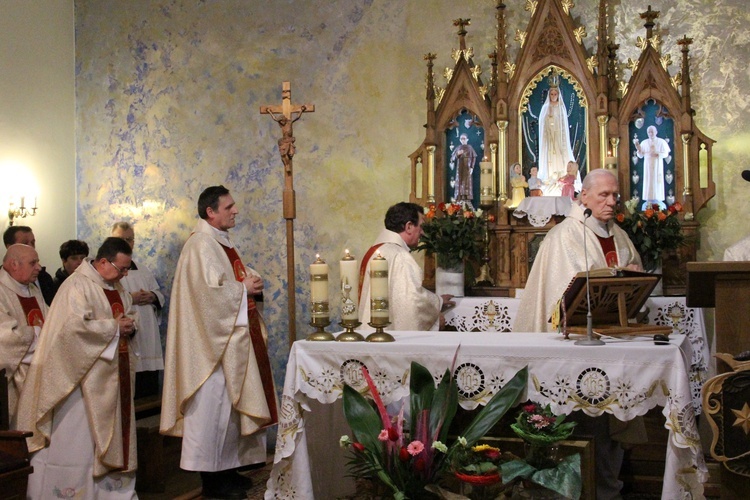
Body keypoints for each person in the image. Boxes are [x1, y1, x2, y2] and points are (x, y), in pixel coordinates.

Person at [514, 169, 642, 499]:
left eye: (615, 195)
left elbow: (634, 284)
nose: (612, 201)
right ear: (583, 196)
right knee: (574, 425)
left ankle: (606, 489)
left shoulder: (620, 235)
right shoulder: (564, 236)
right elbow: (562, 299)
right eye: (604, 195)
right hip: (572, 355)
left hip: (612, 353)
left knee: (608, 429)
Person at [161, 185, 277, 499]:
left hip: (228, 341)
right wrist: (244, 290)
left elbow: (227, 281)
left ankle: (228, 470)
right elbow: (207, 296)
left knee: (228, 413)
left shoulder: (220, 244)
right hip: (208, 348)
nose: (235, 210)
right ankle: (212, 482)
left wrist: (251, 281)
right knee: (212, 414)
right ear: (211, 212)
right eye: (228, 206)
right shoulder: (200, 246)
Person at [16, 237, 138, 498]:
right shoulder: (77, 286)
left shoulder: (115, 285)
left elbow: (127, 312)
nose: (125, 275)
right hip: (80, 384)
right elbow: (72, 331)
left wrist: (129, 324)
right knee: (79, 444)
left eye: (127, 269)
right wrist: (113, 328)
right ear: (103, 261)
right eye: (122, 268)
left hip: (113, 378)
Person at [359, 202, 453, 331]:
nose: (422, 232)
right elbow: (412, 300)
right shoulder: (400, 256)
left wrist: (438, 300)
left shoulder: (376, 251)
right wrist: (436, 312)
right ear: (409, 227)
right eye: (421, 226)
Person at [111, 221, 165, 399]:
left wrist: (152, 296)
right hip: (127, 329)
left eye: (130, 239)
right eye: (121, 239)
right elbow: (106, 300)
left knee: (149, 388)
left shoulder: (143, 269)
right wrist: (130, 298)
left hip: (147, 331)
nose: (127, 243)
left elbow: (158, 293)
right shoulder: (110, 270)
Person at [0, 244, 48, 427]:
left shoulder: (33, 289)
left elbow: (51, 320)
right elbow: (5, 337)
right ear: (14, 264)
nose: (38, 267)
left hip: (40, 369)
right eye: (33, 262)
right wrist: (37, 333)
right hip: (16, 380)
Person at [537, 75, 576, 195]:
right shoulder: (546, 108)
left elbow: (563, 124)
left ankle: (560, 181)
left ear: (558, 95)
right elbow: (543, 124)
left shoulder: (561, 108)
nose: (553, 96)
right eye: (551, 94)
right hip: (549, 138)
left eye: (555, 94)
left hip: (559, 138)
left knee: (559, 157)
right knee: (550, 159)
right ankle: (550, 181)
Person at [2, 226, 55, 305]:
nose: (31, 247)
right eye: (25, 243)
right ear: (10, 247)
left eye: (33, 243)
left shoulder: (44, 278)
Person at [633, 125, 670, 203]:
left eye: (652, 131)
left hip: (657, 164)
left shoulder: (661, 141)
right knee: (648, 181)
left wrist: (658, 154)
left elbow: (666, 154)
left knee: (657, 182)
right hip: (648, 166)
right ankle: (648, 198)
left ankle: (658, 198)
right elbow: (640, 155)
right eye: (649, 132)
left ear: (656, 132)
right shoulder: (644, 142)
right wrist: (639, 149)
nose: (650, 133)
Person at [451, 133, 477, 204]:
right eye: (461, 139)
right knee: (459, 181)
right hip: (460, 168)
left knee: (467, 182)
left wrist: (472, 167)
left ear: (467, 139)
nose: (463, 140)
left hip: (467, 167)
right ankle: (459, 198)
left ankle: (466, 198)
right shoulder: (458, 147)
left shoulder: (470, 148)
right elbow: (453, 157)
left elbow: (473, 157)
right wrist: (457, 154)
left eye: (464, 138)